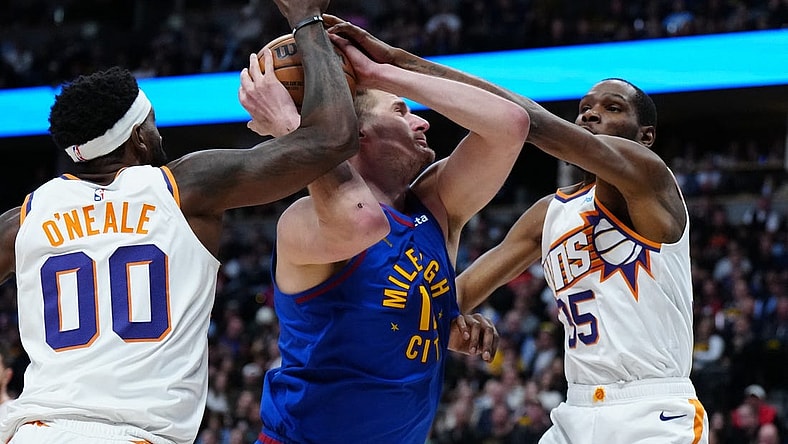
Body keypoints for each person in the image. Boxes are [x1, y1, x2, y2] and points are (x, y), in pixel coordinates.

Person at [321, 16, 710, 444]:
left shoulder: (651, 178)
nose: (591, 115)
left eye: (612, 108)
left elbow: (527, 121)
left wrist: (398, 63)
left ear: (646, 135)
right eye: (584, 110)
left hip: (652, 409)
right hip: (575, 412)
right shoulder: (550, 214)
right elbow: (456, 295)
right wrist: (447, 322)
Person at [0, 0, 359, 441]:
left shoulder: (24, 219)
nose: (160, 134)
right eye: (152, 124)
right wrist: (306, 18)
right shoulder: (184, 187)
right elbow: (334, 137)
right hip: (133, 434)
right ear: (137, 138)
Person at [244, 18, 530, 444]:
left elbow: (510, 124)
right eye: (401, 110)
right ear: (360, 133)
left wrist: (381, 70)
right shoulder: (303, 220)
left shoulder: (435, 204)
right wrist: (295, 130)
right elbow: (363, 222)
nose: (422, 123)